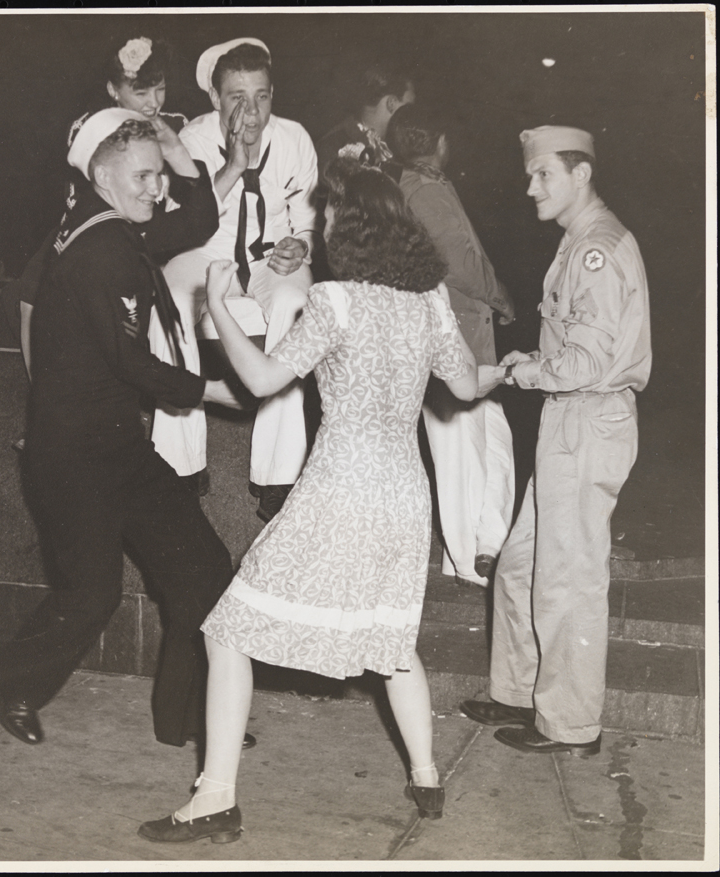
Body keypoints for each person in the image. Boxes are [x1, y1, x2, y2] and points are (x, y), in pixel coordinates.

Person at [139, 158, 478, 844]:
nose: (319, 225)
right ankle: (427, 775)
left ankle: (215, 797)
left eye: (327, 213)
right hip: (406, 493)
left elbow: (263, 376)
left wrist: (217, 304)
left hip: (341, 485)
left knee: (227, 629)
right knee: (392, 639)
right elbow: (467, 387)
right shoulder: (429, 301)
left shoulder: (335, 300)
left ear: (350, 224)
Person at [0, 110, 244, 752]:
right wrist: (215, 390)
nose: (158, 188)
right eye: (144, 175)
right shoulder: (103, 248)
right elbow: (130, 361)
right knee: (92, 596)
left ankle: (183, 716)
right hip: (73, 458)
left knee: (204, 573)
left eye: (159, 175)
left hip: (118, 446)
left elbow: (199, 218)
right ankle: (11, 685)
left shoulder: (110, 224)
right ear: (102, 174)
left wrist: (177, 150)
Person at [461, 126, 651, 757]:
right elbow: (575, 346)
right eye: (530, 174)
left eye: (543, 174)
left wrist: (526, 371)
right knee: (521, 564)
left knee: (568, 578)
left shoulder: (597, 250)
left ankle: (571, 726)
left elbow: (588, 364)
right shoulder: (578, 244)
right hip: (568, 419)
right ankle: (516, 690)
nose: (530, 186)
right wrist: (535, 359)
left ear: (581, 175)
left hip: (587, 420)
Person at [149, 38, 319, 521]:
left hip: (270, 260)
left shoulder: (294, 138)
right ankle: (179, 465)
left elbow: (307, 216)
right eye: (236, 97)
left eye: (261, 96)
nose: (251, 110)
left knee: (294, 306)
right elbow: (185, 218)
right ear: (215, 99)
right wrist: (233, 164)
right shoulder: (194, 140)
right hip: (206, 251)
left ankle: (277, 476)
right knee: (171, 299)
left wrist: (300, 245)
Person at [12, 35, 189, 384]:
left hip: (152, 233)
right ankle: (44, 397)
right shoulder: (91, 128)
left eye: (160, 90)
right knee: (29, 294)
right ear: (113, 90)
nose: (153, 103)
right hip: (90, 228)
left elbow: (187, 196)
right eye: (141, 93)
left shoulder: (177, 125)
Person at [391, 103, 516, 588]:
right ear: (440, 141)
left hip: (470, 335)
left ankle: (484, 548)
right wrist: (502, 295)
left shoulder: (426, 186)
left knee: (491, 442)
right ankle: (469, 561)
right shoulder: (422, 190)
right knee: (461, 449)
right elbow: (458, 262)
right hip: (452, 335)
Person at [315, 60, 415, 184]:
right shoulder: (333, 146)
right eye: (408, 106)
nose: (412, 115)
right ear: (392, 103)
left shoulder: (394, 148)